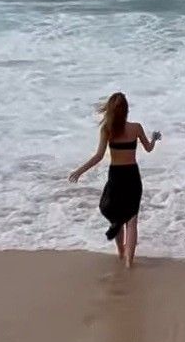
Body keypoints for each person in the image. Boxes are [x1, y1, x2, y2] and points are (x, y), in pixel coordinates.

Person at [69, 91, 161, 269]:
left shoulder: (107, 130)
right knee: (132, 221)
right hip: (132, 176)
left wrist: (80, 171)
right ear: (126, 110)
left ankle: (120, 252)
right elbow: (148, 148)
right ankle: (129, 262)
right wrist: (154, 139)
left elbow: (98, 156)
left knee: (117, 217)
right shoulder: (136, 128)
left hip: (116, 177)